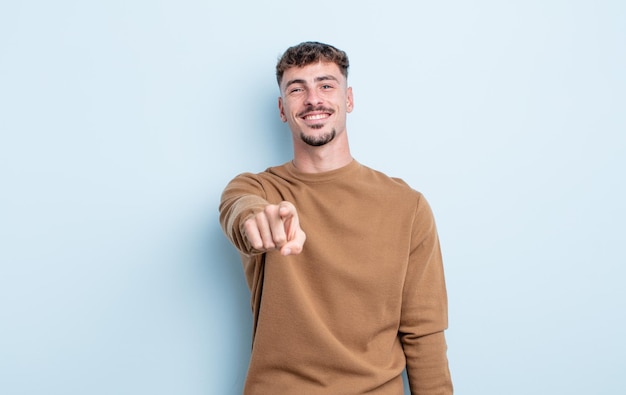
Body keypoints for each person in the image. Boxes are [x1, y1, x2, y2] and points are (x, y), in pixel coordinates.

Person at [219, 41, 453, 394]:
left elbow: (424, 334)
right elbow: (239, 209)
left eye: (326, 85)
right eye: (297, 89)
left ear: (349, 100)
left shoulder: (407, 206)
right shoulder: (259, 190)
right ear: (283, 109)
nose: (313, 99)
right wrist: (258, 220)